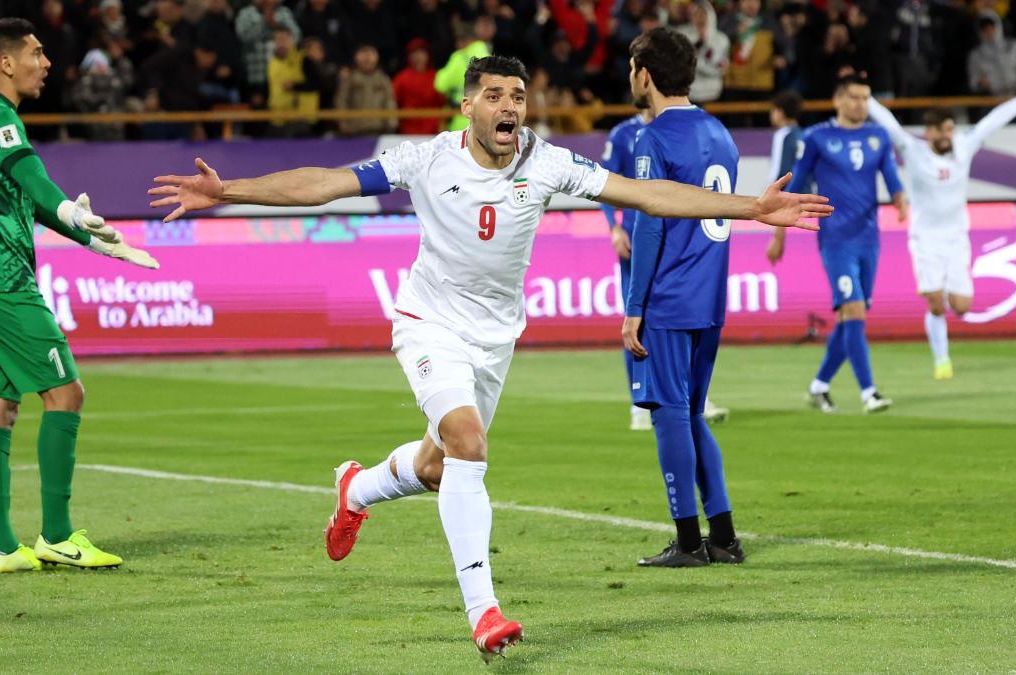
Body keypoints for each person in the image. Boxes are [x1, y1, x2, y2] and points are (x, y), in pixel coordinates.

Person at [148, 55, 829, 660]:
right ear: (467, 104)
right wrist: (230, 190)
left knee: (438, 464)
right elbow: (325, 182)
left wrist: (750, 207)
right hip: (427, 323)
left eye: (520, 95)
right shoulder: (426, 158)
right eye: (497, 95)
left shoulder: (548, 161)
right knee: (469, 444)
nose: (511, 107)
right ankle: (485, 612)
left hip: (495, 338)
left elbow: (646, 194)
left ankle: (355, 487)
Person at [0, 18, 158, 574]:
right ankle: (58, 536)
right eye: (37, 54)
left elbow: (34, 204)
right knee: (66, 393)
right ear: (7, 62)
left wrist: (97, 241)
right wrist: (71, 210)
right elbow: (39, 185)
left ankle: (1, 548)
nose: (47, 63)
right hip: (2, 280)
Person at [620, 28, 744, 569]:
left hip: (669, 295)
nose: (629, 76)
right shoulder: (721, 134)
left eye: (631, 67)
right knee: (692, 413)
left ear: (645, 74)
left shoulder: (653, 138)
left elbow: (650, 227)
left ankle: (690, 543)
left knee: (669, 415)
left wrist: (634, 307)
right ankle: (724, 536)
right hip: (710, 294)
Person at [868, 72, 1016, 378]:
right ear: (928, 133)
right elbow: (888, 123)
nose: (948, 135)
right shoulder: (912, 150)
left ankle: (944, 334)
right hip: (925, 237)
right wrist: (865, 96)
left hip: (957, 237)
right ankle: (942, 361)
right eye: (942, 131)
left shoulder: (964, 146)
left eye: (950, 129)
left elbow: (996, 119)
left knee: (962, 305)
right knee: (936, 302)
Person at [769, 74, 907, 414]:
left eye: (866, 98)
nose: (862, 104)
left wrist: (901, 199)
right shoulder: (818, 137)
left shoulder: (878, 137)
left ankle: (819, 385)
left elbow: (890, 174)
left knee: (852, 318)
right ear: (838, 100)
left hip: (869, 238)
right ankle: (869, 393)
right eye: (855, 97)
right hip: (836, 239)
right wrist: (779, 233)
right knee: (855, 310)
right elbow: (797, 183)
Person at [602, 103, 730, 431]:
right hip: (636, 240)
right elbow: (603, 184)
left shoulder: (678, 131)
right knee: (636, 320)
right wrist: (614, 228)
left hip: (677, 242)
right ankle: (639, 402)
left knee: (680, 319)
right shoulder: (624, 135)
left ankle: (689, 395)